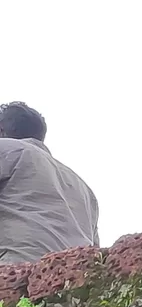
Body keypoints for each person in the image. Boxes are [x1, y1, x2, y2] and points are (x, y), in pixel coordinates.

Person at [0, 102, 99, 263]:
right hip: (75, 276)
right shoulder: (84, 189)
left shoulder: (7, 149)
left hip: (15, 266)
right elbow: (96, 249)